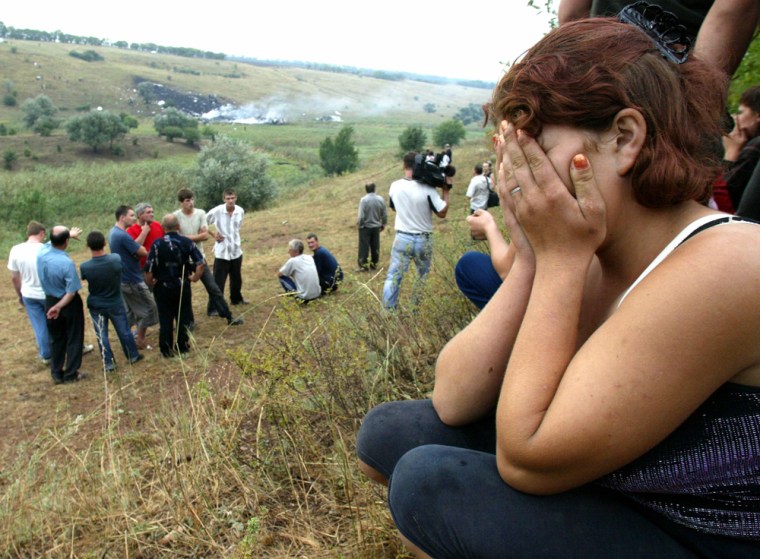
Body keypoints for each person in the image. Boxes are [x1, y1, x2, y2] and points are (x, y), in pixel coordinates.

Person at [357, 16, 760, 558]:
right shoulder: (600, 247)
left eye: (535, 146)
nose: (517, 173)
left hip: (707, 534)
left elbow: (529, 460)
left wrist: (562, 259)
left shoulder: (730, 262)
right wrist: (530, 259)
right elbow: (453, 399)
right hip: (629, 489)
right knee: (390, 434)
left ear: (623, 138)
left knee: (430, 483)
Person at [558, 0, 760, 79]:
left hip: (590, 66)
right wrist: (698, 99)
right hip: (674, 79)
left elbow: (572, 12)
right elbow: (733, 10)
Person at [382, 152, 449, 310]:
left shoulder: (395, 186)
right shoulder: (428, 188)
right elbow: (442, 212)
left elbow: (393, 207)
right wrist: (446, 191)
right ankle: (414, 308)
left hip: (402, 238)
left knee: (393, 277)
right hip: (423, 239)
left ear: (404, 166)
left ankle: (388, 312)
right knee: (422, 276)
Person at [173, 189, 243, 326]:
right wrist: (194, 237)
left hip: (199, 257)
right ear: (181, 202)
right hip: (182, 259)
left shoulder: (200, 213)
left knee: (214, 288)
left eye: (192, 199)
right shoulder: (176, 217)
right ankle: (189, 322)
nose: (191, 203)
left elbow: (204, 236)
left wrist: (184, 238)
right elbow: (175, 238)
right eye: (187, 200)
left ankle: (228, 316)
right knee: (184, 292)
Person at [80, 230, 143, 371]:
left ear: (88, 246)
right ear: (104, 243)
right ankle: (132, 355)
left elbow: (84, 277)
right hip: (115, 301)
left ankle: (108, 363)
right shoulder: (115, 259)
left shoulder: (85, 266)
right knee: (124, 330)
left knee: (101, 334)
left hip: (96, 304)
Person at [144, 214, 205, 358]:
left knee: (165, 318)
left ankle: (166, 350)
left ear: (163, 228)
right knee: (183, 316)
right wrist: (195, 277)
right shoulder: (186, 242)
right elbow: (201, 263)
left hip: (162, 286)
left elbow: (149, 268)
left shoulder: (157, 244)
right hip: (182, 284)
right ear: (178, 226)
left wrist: (151, 283)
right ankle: (182, 347)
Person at [37, 226, 87, 384]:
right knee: (74, 336)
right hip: (66, 304)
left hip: (49, 299)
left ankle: (56, 372)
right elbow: (71, 292)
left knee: (56, 338)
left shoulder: (41, 253)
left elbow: (48, 243)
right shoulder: (66, 263)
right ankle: (71, 373)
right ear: (66, 241)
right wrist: (59, 307)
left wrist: (68, 235)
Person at [109, 205, 159, 349]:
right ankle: (139, 339)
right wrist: (145, 234)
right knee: (149, 308)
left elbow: (133, 247)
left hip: (124, 277)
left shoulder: (114, 232)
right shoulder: (123, 235)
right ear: (122, 217)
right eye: (131, 215)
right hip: (132, 279)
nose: (133, 218)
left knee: (131, 311)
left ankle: (130, 337)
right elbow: (141, 251)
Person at [8, 221, 51, 365]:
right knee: (55, 323)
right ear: (42, 233)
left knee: (39, 325)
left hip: (28, 294)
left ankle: (46, 354)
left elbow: (15, 277)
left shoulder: (15, 249)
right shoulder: (45, 248)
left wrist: (20, 294)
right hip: (47, 293)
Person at [206, 188, 247, 306]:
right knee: (218, 281)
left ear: (236, 198)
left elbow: (238, 227)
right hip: (222, 251)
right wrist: (213, 234)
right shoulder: (217, 211)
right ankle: (214, 306)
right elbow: (203, 222)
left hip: (236, 249)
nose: (230, 201)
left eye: (232, 198)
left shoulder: (240, 211)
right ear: (224, 199)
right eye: (228, 198)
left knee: (236, 278)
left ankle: (236, 299)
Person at [723, 85, 760, 211]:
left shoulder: (755, 147)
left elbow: (721, 199)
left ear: (757, 116)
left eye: (741, 112)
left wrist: (731, 152)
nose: (736, 117)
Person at [277, 239, 321, 303]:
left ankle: (294, 295)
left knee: (282, 277)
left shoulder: (293, 261)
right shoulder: (309, 257)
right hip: (317, 294)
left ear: (296, 252)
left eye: (290, 250)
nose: (288, 251)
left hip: (305, 298)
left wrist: (291, 273)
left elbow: (279, 274)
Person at [356, 182, 388, 271]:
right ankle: (374, 265)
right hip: (376, 227)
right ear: (375, 189)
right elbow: (384, 214)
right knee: (375, 246)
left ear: (366, 190)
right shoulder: (380, 199)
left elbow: (361, 216)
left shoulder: (364, 200)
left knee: (364, 247)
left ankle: (363, 266)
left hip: (365, 227)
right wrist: (383, 224)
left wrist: (360, 224)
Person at [126, 202, 164, 269]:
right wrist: (144, 232)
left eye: (152, 212)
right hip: (142, 268)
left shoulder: (158, 225)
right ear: (139, 215)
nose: (152, 214)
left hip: (160, 266)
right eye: (148, 212)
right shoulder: (131, 230)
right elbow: (134, 249)